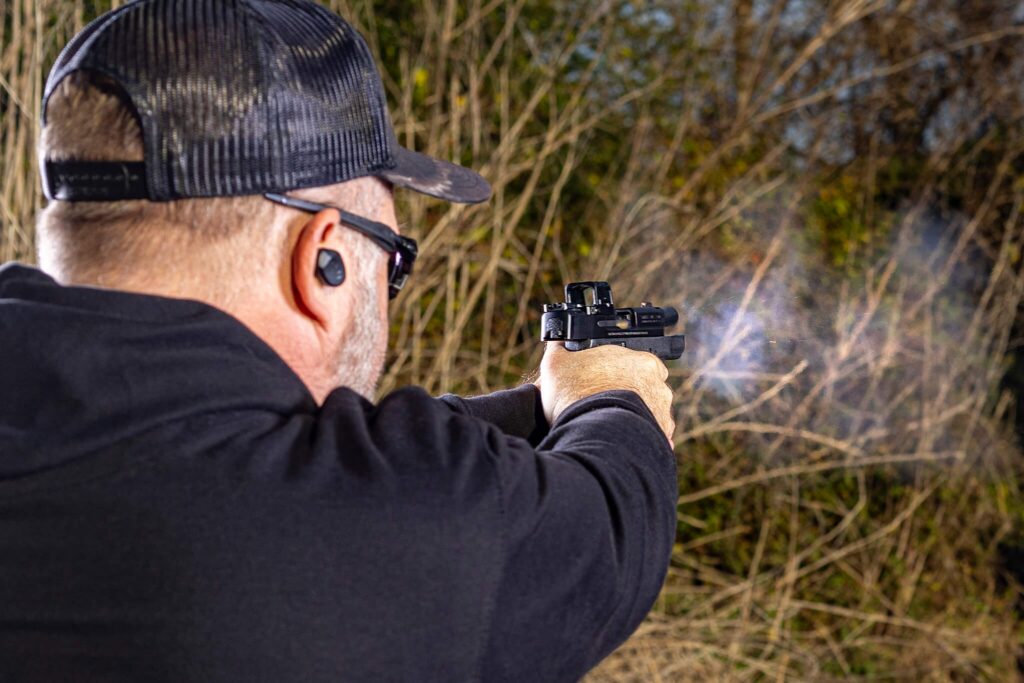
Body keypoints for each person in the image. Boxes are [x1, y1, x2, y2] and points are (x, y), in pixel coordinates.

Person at [0, 0, 677, 681]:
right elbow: (613, 522)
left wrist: (540, 402)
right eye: (394, 259)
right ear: (322, 260)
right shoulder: (372, 528)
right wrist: (616, 399)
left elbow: (215, 434)